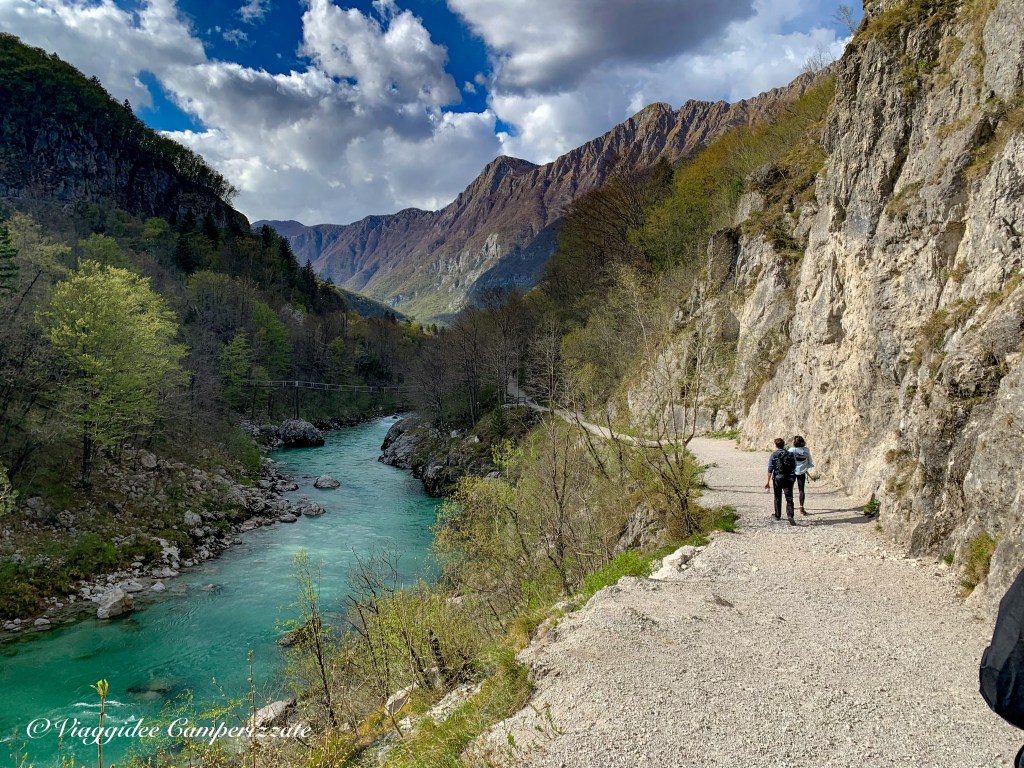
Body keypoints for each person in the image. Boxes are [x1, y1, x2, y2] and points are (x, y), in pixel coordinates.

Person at [764, 437, 796, 525]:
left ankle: (777, 515)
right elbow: (794, 466)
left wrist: (767, 481)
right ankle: (790, 516)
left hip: (778, 478)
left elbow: (770, 469)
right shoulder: (790, 454)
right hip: (789, 478)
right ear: (783, 444)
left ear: (776, 445)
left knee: (777, 497)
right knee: (789, 498)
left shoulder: (774, 455)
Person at [789, 435, 814, 516]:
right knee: (801, 489)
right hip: (802, 472)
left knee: (790, 489)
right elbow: (810, 460)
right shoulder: (806, 450)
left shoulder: (791, 450)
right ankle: (801, 507)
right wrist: (806, 467)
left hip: (792, 471)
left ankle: (790, 506)